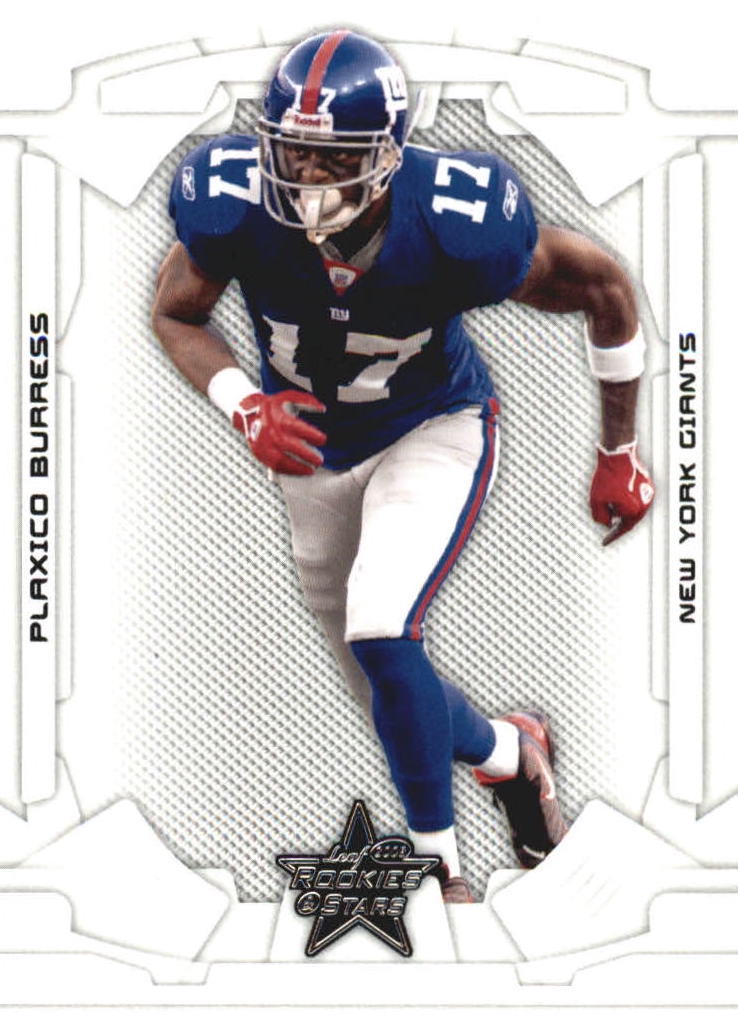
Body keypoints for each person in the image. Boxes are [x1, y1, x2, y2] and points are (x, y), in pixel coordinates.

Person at [152, 29, 654, 903]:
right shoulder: (232, 202)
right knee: (388, 688)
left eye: (335, 157)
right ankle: (512, 753)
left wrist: (618, 450)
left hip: (431, 426)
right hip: (309, 452)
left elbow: (604, 287)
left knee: (383, 632)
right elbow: (176, 312)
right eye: (294, 151)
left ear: (387, 157)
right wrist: (243, 404)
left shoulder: (459, 223)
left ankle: (439, 872)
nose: (308, 176)